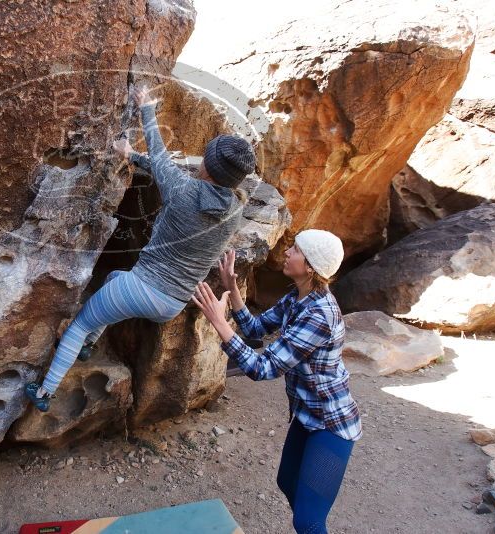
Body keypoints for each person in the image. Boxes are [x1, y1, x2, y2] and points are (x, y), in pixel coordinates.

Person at [24, 83, 257, 411]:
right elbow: (164, 171)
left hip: (143, 288)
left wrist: (146, 108)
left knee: (80, 323)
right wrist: (130, 156)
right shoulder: (233, 209)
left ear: (211, 166)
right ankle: (90, 345)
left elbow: (161, 158)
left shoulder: (185, 192)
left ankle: (44, 393)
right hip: (172, 302)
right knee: (114, 278)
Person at [191, 231, 361, 534]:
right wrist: (232, 286)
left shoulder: (320, 314)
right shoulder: (298, 298)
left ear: (310, 267)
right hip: (307, 416)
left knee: (308, 520)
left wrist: (218, 321)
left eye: (295, 250)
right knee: (287, 482)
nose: (287, 252)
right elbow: (255, 328)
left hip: (331, 424)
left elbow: (263, 368)